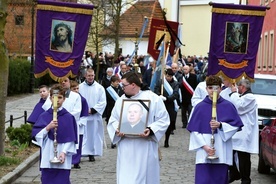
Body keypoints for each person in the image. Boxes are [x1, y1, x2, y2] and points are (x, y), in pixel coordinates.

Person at [107, 72, 169, 184]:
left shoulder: (153, 98)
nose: (122, 88)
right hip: (126, 147)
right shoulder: (121, 100)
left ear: (133, 85)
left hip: (145, 146)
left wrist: (150, 130)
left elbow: (164, 119)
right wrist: (117, 129)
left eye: (124, 85)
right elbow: (113, 119)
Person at [187, 75, 243, 184]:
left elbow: (235, 126)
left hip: (221, 151)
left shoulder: (228, 106)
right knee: (203, 180)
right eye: (210, 88)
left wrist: (221, 125)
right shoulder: (199, 107)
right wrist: (205, 147)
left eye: (216, 88)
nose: (213, 91)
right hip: (203, 152)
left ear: (221, 89)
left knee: (219, 180)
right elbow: (194, 131)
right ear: (206, 89)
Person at [32, 84, 78, 184]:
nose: (57, 100)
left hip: (63, 159)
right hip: (47, 157)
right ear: (50, 98)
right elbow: (37, 136)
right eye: (54, 97)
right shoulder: (44, 116)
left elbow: (71, 138)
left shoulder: (69, 117)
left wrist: (64, 152)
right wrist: (47, 128)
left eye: (60, 97)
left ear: (64, 99)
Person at [227, 79, 258, 184]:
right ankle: (234, 173)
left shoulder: (250, 97)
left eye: (238, 86)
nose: (237, 88)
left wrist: (234, 93)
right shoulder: (242, 96)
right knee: (228, 152)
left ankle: (245, 179)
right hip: (237, 130)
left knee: (243, 157)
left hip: (245, 131)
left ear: (242, 87)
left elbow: (239, 107)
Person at [79, 68, 107, 162]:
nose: (90, 77)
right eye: (88, 76)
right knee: (83, 134)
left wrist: (93, 110)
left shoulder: (99, 88)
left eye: (92, 76)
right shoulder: (80, 87)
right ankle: (81, 152)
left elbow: (103, 102)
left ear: (94, 76)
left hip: (94, 116)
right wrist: (83, 110)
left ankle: (92, 153)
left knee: (93, 135)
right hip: (83, 115)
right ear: (85, 76)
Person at [154, 68, 179, 147]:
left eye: (170, 76)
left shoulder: (175, 83)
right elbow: (155, 90)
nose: (169, 78)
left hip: (170, 105)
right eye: (168, 76)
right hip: (160, 105)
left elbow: (175, 94)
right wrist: (159, 96)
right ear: (165, 75)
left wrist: (167, 98)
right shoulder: (161, 82)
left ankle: (166, 140)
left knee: (169, 123)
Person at [70, 80, 89, 169]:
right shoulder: (67, 99)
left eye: (77, 88)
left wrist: (81, 122)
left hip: (78, 124)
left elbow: (85, 113)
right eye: (74, 89)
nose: (76, 90)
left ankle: (76, 161)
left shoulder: (83, 100)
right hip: (69, 123)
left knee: (79, 143)